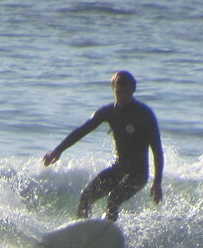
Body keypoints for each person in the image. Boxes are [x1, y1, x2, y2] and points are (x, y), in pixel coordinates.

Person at [42, 70, 163, 221]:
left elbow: (157, 150)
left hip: (138, 174)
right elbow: (82, 130)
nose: (123, 96)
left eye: (126, 92)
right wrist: (58, 150)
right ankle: (82, 229)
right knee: (86, 195)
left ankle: (107, 230)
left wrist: (157, 182)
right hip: (118, 168)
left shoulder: (145, 114)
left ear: (133, 90)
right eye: (119, 92)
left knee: (113, 199)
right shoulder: (108, 112)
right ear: (113, 89)